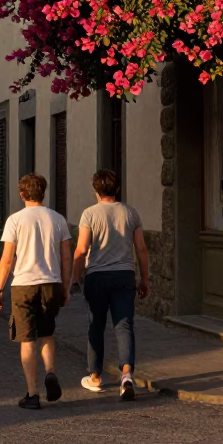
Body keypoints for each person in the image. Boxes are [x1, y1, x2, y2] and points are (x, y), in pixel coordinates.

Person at [0, 174, 71, 410]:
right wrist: (66, 287)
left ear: (22, 194)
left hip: (24, 284)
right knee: (47, 333)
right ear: (43, 192)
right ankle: (50, 371)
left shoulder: (15, 220)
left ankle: (32, 393)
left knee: (26, 339)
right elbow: (66, 257)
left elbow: (7, 259)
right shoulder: (58, 220)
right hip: (51, 282)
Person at [73, 170, 150, 400]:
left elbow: (81, 249)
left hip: (97, 276)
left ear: (96, 191)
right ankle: (126, 375)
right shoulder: (130, 213)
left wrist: (75, 278)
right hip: (124, 275)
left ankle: (95, 377)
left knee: (96, 325)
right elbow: (142, 249)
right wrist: (144, 278)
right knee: (124, 325)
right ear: (117, 189)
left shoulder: (89, 214)